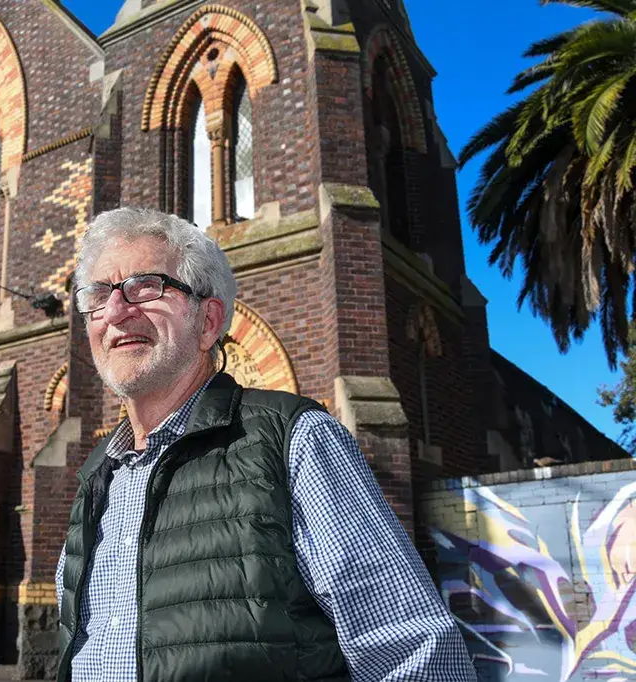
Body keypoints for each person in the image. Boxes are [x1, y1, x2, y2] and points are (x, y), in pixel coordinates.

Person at [54, 208, 476, 682]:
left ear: (208, 321)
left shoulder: (294, 439)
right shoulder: (97, 475)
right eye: (98, 295)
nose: (114, 312)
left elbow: (415, 653)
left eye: (145, 286)